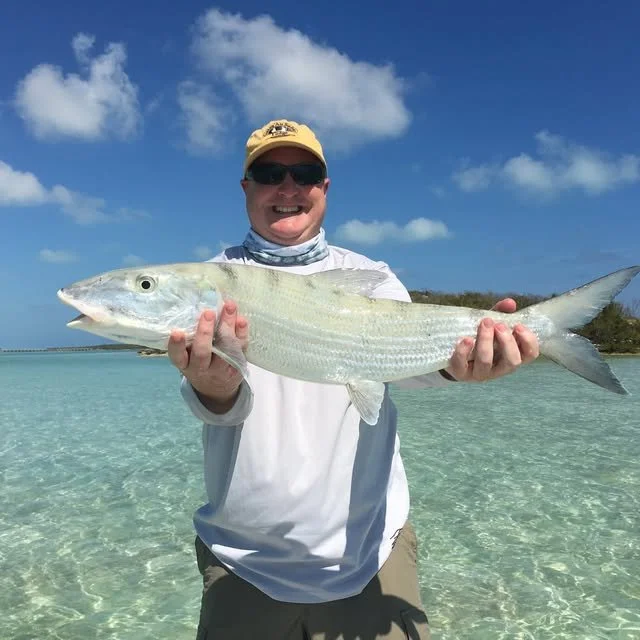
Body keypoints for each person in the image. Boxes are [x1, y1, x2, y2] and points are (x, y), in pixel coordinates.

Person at [167, 119, 540, 639]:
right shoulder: (211, 279)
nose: (288, 187)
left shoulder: (372, 276)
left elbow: (409, 370)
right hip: (240, 561)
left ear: (325, 187)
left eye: (306, 173)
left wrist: (464, 367)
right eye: (270, 172)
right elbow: (214, 402)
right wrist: (215, 382)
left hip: (371, 554)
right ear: (246, 187)